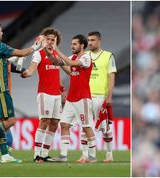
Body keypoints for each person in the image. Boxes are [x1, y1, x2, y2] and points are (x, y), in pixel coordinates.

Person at [0, 22, 43, 163]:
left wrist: (18, 66)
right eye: (1, 31)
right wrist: (36, 45)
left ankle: (5, 155)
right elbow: (23, 52)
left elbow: (4, 64)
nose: (2, 33)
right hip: (0, 89)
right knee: (11, 121)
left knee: (3, 122)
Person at [46, 34, 97, 163]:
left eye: (74, 44)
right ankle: (63, 156)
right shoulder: (72, 57)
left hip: (83, 98)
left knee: (86, 126)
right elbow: (57, 63)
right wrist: (49, 52)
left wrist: (57, 49)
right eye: (71, 43)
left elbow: (69, 63)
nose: (72, 46)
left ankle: (92, 156)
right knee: (64, 124)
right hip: (71, 98)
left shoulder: (86, 58)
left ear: (82, 45)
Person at [21, 27, 65, 162]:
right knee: (44, 121)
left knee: (55, 122)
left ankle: (45, 153)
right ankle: (37, 155)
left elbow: (57, 74)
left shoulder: (57, 55)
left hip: (56, 94)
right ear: (43, 40)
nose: (51, 42)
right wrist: (26, 74)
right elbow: (31, 70)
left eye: (53, 40)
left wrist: (62, 89)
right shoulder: (39, 54)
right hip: (45, 93)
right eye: (48, 39)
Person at [77, 31, 116, 163]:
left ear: (99, 41)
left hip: (100, 97)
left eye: (93, 40)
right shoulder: (84, 56)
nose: (90, 42)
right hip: (85, 96)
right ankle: (84, 155)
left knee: (105, 127)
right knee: (84, 125)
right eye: (88, 40)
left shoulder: (108, 56)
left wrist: (109, 96)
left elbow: (111, 76)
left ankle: (109, 154)